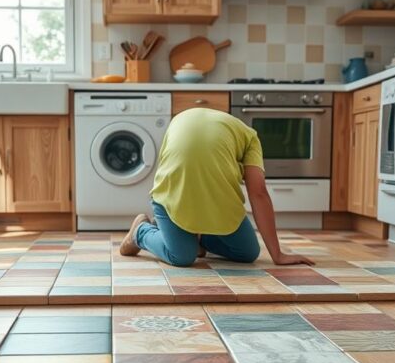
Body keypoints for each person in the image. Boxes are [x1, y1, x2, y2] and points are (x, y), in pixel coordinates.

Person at [120, 107, 314, 267]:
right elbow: (258, 193)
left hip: (209, 196)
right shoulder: (251, 137)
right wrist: (278, 255)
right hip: (173, 198)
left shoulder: (242, 137)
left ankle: (194, 235)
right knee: (182, 257)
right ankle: (141, 232)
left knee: (248, 252)